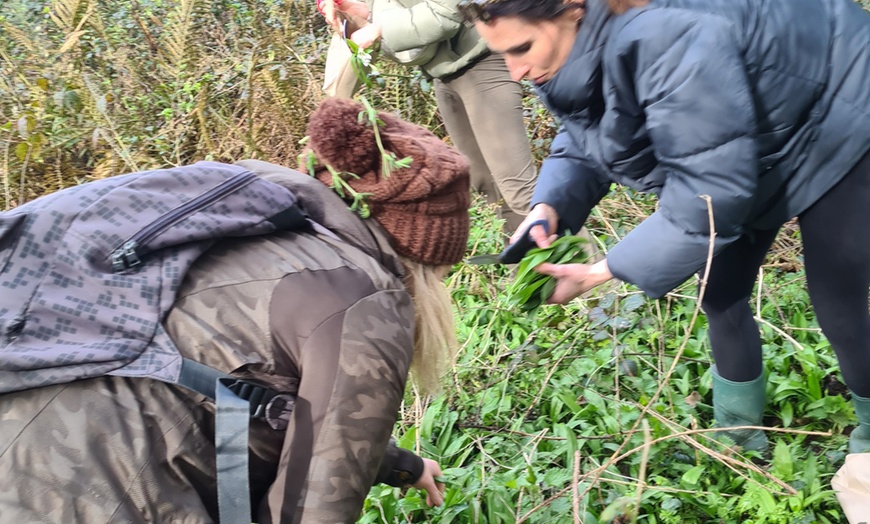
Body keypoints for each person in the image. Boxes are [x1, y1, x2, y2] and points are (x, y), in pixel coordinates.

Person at [0, 97, 469, 522]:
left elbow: (273, 398)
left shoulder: (255, 225)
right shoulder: (367, 300)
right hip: (95, 490)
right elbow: (309, 513)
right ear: (423, 258)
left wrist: (401, 465)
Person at [460, 0, 870, 455]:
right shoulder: (569, 49)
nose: (514, 71)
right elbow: (586, 134)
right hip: (752, 134)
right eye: (502, 56)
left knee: (839, 303)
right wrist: (549, 206)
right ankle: (737, 437)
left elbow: (709, 193)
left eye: (522, 48)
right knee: (718, 293)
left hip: (841, 106)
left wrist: (602, 270)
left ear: (572, 8)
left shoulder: (667, 36)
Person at [318, 0, 538, 232]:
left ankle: (571, 257)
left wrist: (379, 28)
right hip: (445, 73)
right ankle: (526, 265)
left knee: (520, 190)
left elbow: (447, 12)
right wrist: (362, 11)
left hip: (484, 60)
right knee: (488, 188)